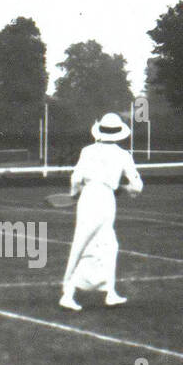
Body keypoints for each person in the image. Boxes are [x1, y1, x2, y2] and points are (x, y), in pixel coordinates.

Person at [59, 112, 143, 311]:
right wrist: (124, 189)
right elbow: (137, 186)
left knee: (104, 245)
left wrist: (74, 194)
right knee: (95, 245)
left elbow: (76, 178)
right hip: (105, 200)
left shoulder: (87, 151)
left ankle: (109, 292)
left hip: (89, 198)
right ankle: (68, 293)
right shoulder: (123, 155)